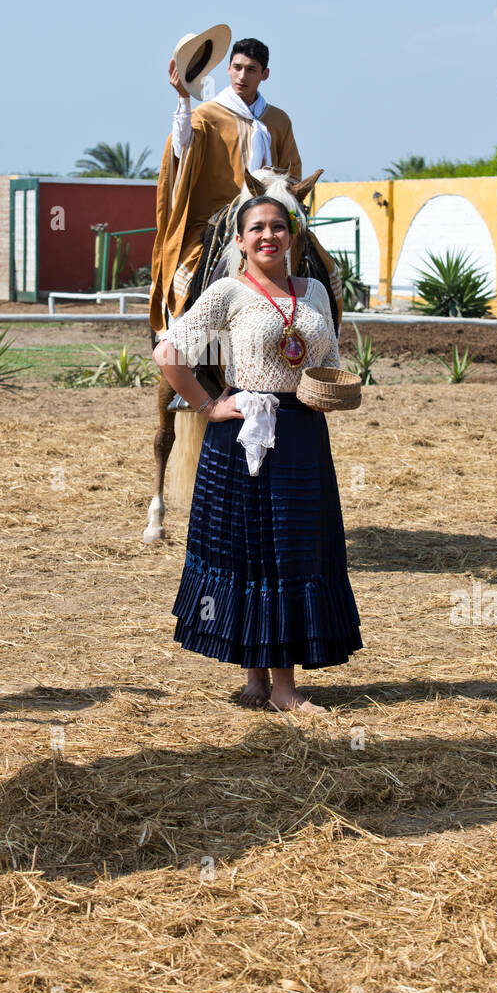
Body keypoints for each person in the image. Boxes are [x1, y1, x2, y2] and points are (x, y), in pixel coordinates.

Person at [152, 192, 363, 714]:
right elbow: (168, 353)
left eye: (278, 227)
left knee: (292, 554)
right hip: (243, 432)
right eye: (257, 228)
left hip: (302, 435)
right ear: (241, 240)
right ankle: (255, 679)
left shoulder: (313, 291)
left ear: (291, 236)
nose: (268, 235)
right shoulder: (226, 291)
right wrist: (206, 407)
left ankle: (285, 689)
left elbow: (329, 357)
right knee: (248, 552)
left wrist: (331, 391)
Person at [149, 37, 302, 335]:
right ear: (229, 69)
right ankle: (181, 346)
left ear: (265, 74)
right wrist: (183, 100)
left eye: (251, 70)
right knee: (187, 277)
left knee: (321, 265)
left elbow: (292, 173)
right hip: (216, 219)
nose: (242, 76)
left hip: (271, 215)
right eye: (237, 68)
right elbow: (182, 148)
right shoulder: (208, 115)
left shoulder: (279, 120)